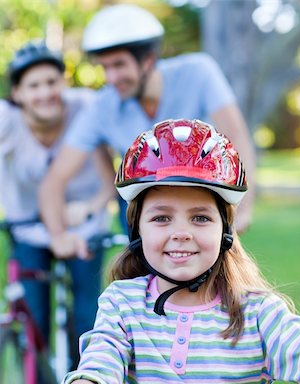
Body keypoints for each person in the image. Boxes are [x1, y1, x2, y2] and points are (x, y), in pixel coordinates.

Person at [39, 119, 300, 384]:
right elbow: (98, 369)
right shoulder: (124, 304)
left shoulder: (256, 312)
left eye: (200, 217)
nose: (181, 232)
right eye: (162, 218)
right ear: (138, 231)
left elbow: (298, 346)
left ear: (225, 232)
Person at [39, 3, 256, 260]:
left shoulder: (198, 72)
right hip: (144, 205)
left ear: (148, 60)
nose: (111, 77)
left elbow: (238, 139)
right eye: (105, 67)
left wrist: (243, 209)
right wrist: (58, 235)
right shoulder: (102, 107)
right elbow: (55, 179)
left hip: (202, 193)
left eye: (119, 65)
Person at [0, 40, 115, 384]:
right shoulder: (6, 120)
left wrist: (84, 210)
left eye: (52, 81)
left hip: (83, 230)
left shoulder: (85, 109)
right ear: (17, 94)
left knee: (89, 315)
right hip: (28, 230)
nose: (45, 92)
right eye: (33, 85)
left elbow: (109, 182)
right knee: (34, 326)